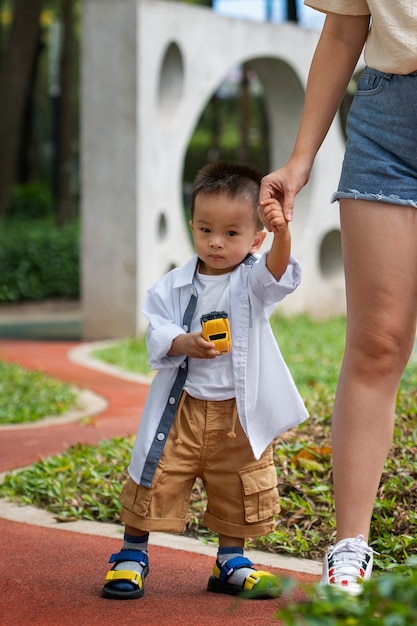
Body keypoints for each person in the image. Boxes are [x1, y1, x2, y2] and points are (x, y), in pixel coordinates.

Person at [259, 1, 417, 597]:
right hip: (388, 122)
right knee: (377, 343)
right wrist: (300, 160)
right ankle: (350, 546)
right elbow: (346, 25)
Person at [101, 161, 308, 600]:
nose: (216, 242)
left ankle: (230, 561)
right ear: (191, 226)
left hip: (237, 411)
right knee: (156, 473)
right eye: (205, 230)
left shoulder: (251, 281)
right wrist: (182, 342)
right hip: (184, 408)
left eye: (232, 234)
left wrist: (283, 233)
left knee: (238, 482)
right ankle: (131, 554)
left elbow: (277, 274)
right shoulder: (172, 286)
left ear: (255, 239)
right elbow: (156, 327)